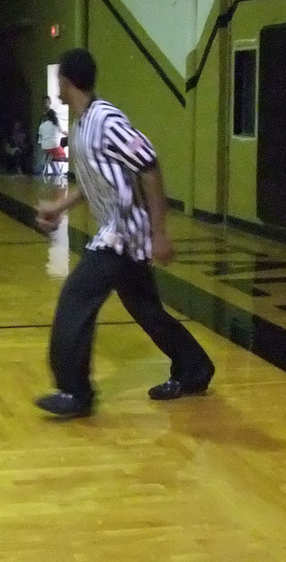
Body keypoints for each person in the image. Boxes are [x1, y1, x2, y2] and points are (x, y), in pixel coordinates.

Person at [32, 48, 214, 418]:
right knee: (146, 309)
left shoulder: (107, 120)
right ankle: (194, 368)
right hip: (117, 235)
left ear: (65, 82)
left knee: (75, 299)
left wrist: (160, 233)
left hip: (121, 236)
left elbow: (149, 164)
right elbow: (95, 181)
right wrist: (58, 206)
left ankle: (75, 392)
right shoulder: (82, 125)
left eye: (59, 83)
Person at [37, 102, 65, 179]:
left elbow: (40, 139)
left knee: (49, 156)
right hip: (56, 148)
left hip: (45, 148)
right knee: (60, 154)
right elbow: (64, 132)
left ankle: (55, 173)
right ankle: (57, 174)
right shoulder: (57, 125)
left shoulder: (42, 126)